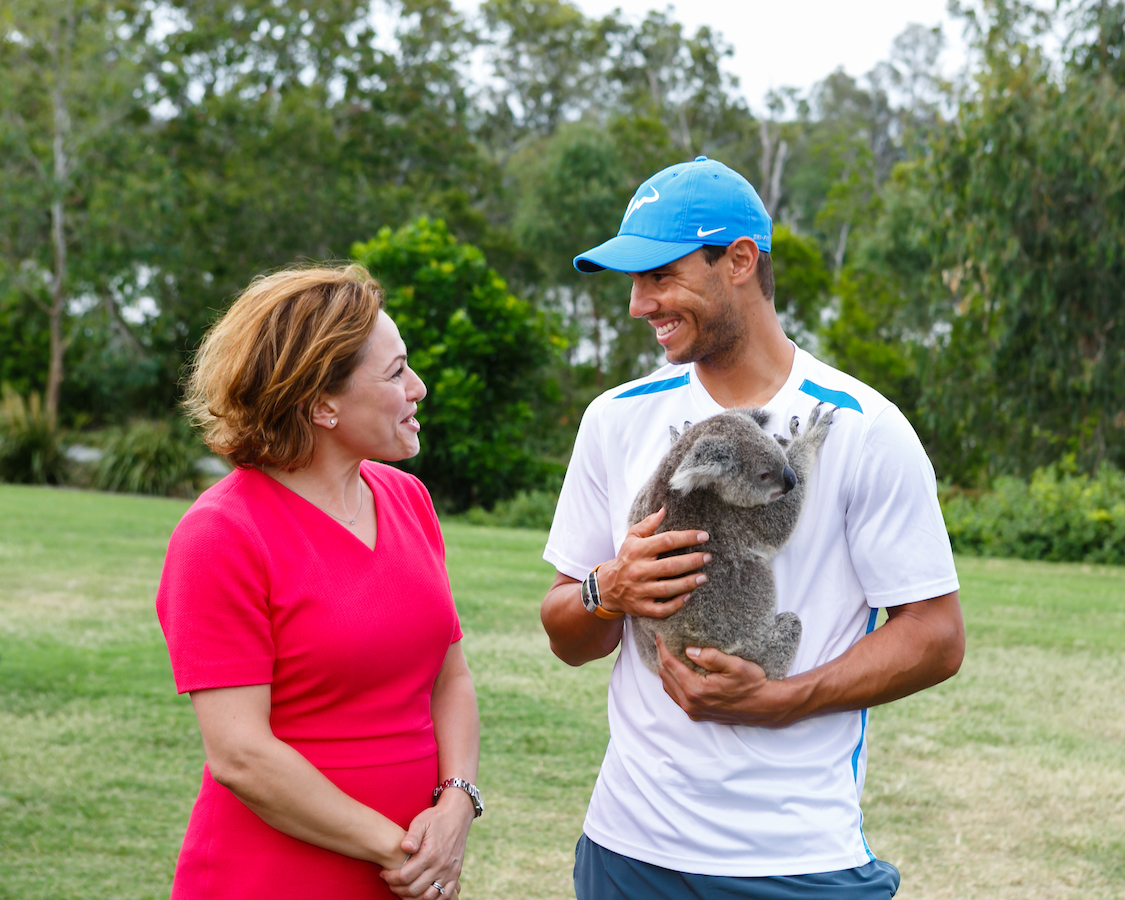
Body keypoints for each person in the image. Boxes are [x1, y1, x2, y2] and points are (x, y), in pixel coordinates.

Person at [540, 157, 965, 898]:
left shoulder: (865, 427)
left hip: (795, 858)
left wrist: (784, 698)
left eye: (660, 276)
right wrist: (606, 590)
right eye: (632, 282)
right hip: (627, 850)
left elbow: (936, 635)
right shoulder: (613, 418)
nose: (640, 304)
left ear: (739, 260)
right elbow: (567, 636)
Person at [157, 265, 482, 900]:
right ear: (319, 403)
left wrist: (457, 806)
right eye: (395, 373)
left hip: (411, 872)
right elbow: (240, 754)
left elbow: (452, 677)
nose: (418, 387)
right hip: (275, 876)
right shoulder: (221, 534)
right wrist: (409, 850)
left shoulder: (408, 499)